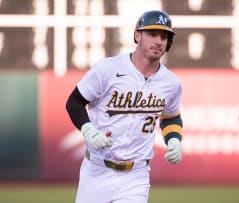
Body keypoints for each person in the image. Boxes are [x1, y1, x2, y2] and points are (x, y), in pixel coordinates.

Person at [65, 10, 183, 203]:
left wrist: (175, 140)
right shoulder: (108, 69)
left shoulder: (171, 82)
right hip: (96, 171)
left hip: (136, 175)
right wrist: (89, 130)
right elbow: (74, 102)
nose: (159, 41)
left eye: (164, 36)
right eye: (152, 34)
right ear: (137, 35)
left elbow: (171, 116)